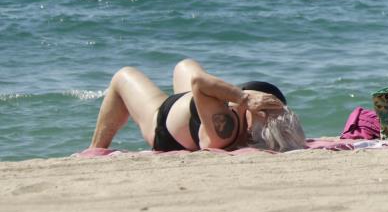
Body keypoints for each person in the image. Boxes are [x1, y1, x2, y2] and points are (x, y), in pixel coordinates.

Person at [89, 58, 306, 152]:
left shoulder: (227, 129)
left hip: (162, 123)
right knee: (184, 65)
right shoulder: (239, 122)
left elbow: (198, 83)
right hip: (188, 111)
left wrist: (244, 98)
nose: (252, 96)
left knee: (123, 76)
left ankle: (95, 150)